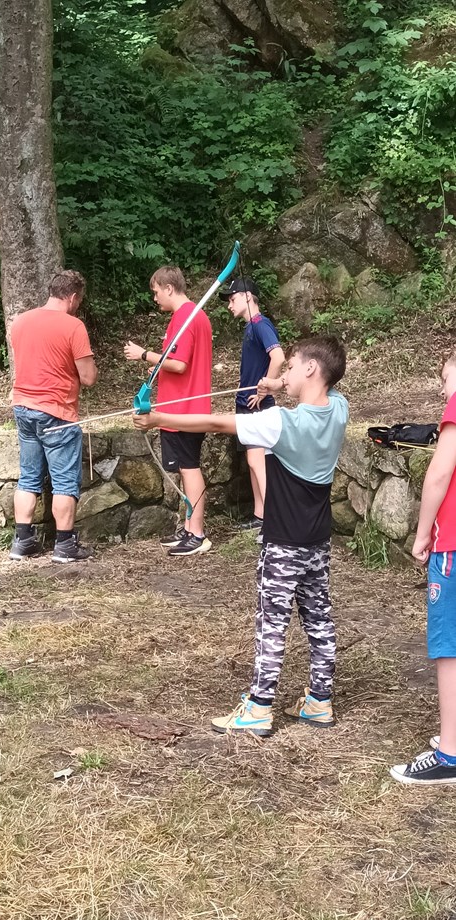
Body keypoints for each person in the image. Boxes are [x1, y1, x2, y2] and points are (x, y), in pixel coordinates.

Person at [133, 335, 349, 736]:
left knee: (272, 624)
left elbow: (217, 423)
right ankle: (320, 701)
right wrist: (278, 383)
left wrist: (158, 418)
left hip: (283, 542)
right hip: (317, 539)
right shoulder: (339, 409)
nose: (285, 373)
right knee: (318, 617)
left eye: (291, 366)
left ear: (310, 369)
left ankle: (259, 708)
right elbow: (324, 389)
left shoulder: (281, 423)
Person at [391, 350, 456, 786]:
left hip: (453, 542)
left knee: (449, 644)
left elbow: (438, 474)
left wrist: (421, 534)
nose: (442, 388)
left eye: (445, 377)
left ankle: (450, 754)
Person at [10, 270, 98, 563]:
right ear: (72, 297)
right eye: (79, 300)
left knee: (28, 477)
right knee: (64, 482)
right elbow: (88, 378)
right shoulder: (73, 326)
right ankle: (65, 545)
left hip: (23, 407)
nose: (78, 305)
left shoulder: (21, 321)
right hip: (57, 412)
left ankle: (22, 541)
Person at [124, 265, 212, 557]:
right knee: (186, 468)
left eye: (156, 292)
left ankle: (197, 533)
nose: (155, 298)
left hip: (185, 408)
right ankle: (188, 529)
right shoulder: (190, 315)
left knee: (189, 468)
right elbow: (177, 363)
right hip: (182, 405)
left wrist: (144, 354)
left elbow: (180, 364)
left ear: (169, 288)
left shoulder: (185, 316)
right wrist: (158, 368)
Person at [219, 276, 285, 531]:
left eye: (232, 299)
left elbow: (278, 357)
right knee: (253, 460)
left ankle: (274, 519)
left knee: (258, 461)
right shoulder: (251, 327)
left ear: (248, 297)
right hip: (246, 403)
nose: (229, 305)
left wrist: (264, 387)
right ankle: (261, 515)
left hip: (256, 404)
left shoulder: (260, 324)